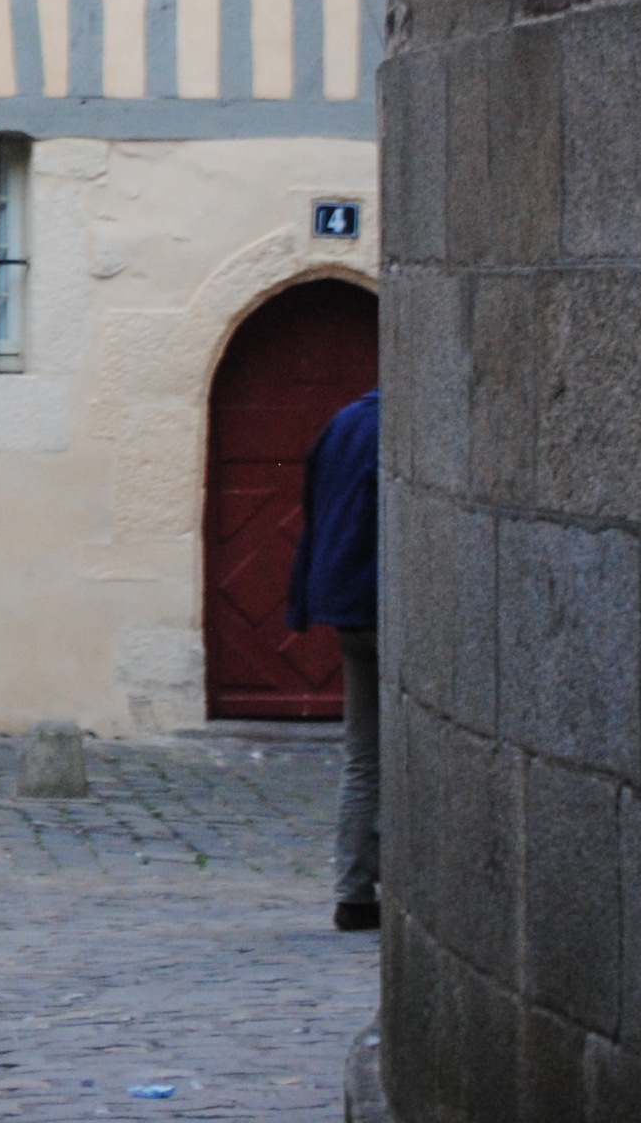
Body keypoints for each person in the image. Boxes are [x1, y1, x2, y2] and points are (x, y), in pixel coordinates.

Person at [287, 384, 383, 932]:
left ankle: (353, 891)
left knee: (363, 756)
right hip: (386, 601)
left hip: (344, 602)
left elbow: (314, 508)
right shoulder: (401, 428)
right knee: (407, 753)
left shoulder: (344, 420)